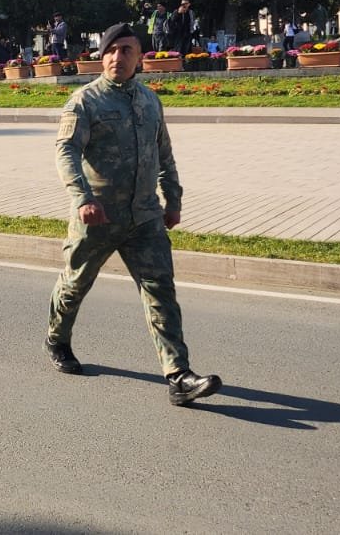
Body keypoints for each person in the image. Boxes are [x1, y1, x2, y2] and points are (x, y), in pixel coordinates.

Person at [46, 22, 222, 407]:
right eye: (110, 51)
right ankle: (57, 339)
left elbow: (164, 155)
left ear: (139, 57)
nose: (117, 57)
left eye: (126, 50)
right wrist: (82, 198)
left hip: (144, 218)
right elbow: (66, 152)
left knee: (161, 292)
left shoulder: (150, 101)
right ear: (101, 57)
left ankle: (179, 376)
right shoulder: (85, 102)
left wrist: (173, 200)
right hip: (97, 217)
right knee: (75, 284)